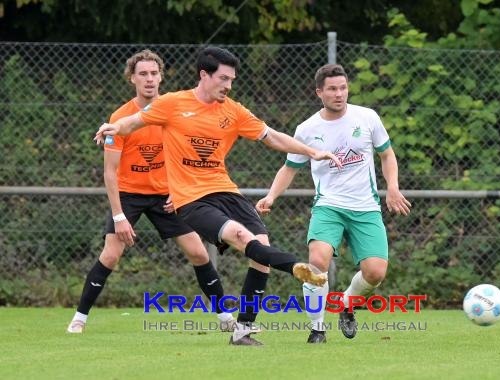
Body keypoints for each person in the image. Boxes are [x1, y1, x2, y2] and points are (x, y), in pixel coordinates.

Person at [94, 47, 342, 346]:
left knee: (260, 251)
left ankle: (243, 330)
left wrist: (312, 151)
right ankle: (296, 267)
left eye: (232, 79)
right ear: (204, 75)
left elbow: (272, 136)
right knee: (240, 236)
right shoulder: (173, 104)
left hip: (226, 190)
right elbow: (131, 122)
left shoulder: (233, 110)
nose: (228, 85)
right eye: (223, 78)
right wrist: (113, 127)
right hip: (191, 200)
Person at [68, 50, 235, 334]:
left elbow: (186, 157)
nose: (149, 79)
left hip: (166, 196)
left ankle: (226, 319)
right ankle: (79, 319)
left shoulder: (174, 110)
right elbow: (110, 172)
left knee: (198, 253)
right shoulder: (120, 117)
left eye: (154, 73)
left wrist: (177, 190)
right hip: (129, 195)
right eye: (143, 74)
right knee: (110, 256)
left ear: (161, 77)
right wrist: (119, 216)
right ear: (132, 78)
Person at [256, 63, 411, 343]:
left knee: (375, 273)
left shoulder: (367, 117)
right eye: (332, 89)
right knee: (317, 260)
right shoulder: (307, 129)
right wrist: (271, 195)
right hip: (329, 206)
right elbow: (290, 167)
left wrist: (393, 187)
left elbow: (387, 155)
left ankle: (347, 306)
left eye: (343, 88)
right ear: (319, 92)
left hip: (366, 207)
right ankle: (317, 329)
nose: (339, 94)